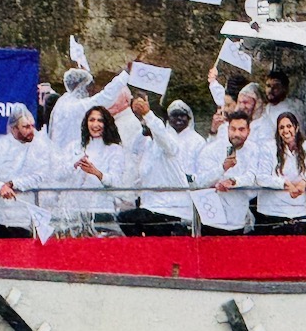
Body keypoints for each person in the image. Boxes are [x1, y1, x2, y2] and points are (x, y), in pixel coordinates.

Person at [0, 103, 62, 238]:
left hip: (22, 218)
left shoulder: (39, 147)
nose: (31, 130)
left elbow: (40, 175)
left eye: (32, 126)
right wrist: (0, 187)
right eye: (26, 127)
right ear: (13, 129)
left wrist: (13, 184)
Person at [118, 96, 190, 236]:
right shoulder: (147, 146)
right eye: (142, 121)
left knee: (125, 218)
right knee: (126, 218)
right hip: (151, 207)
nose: (143, 124)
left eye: (145, 121)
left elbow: (162, 136)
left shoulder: (170, 142)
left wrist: (148, 114)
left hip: (170, 209)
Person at [192, 109, 269, 235]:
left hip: (237, 218)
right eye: (233, 129)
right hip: (212, 218)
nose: (236, 134)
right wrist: (223, 168)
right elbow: (201, 181)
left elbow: (252, 176)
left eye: (241, 129)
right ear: (227, 128)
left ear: (248, 130)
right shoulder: (211, 149)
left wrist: (233, 181)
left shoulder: (253, 149)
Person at [255, 112, 306, 234]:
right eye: (281, 127)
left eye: (289, 126)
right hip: (273, 212)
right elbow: (261, 177)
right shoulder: (268, 148)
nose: (285, 130)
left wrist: (305, 182)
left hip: (301, 212)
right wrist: (285, 184)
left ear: (296, 127)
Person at [63, 105, 131, 232]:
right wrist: (75, 164)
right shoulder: (74, 146)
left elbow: (116, 182)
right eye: (92, 120)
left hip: (102, 210)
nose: (95, 124)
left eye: (100, 120)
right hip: (75, 212)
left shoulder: (115, 150)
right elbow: (59, 175)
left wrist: (97, 173)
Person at [48, 65, 130, 150]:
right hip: (71, 154)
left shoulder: (64, 101)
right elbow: (106, 97)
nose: (91, 90)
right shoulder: (78, 107)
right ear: (80, 86)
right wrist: (126, 74)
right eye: (89, 86)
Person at [166, 99, 205, 164]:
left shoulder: (198, 141)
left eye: (182, 115)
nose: (179, 118)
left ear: (189, 118)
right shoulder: (163, 139)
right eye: (175, 115)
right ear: (168, 118)